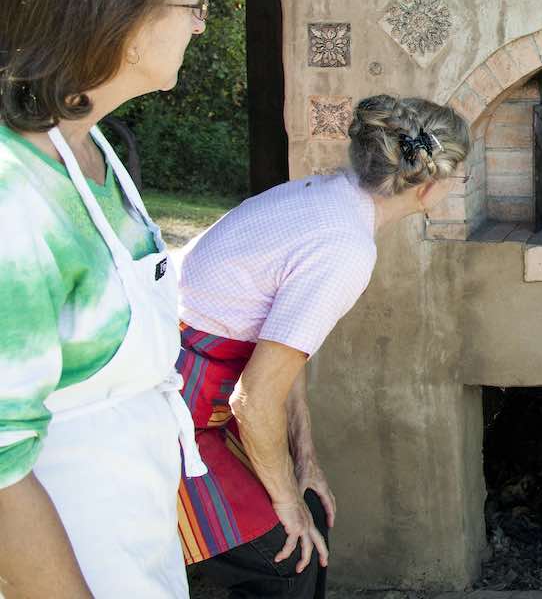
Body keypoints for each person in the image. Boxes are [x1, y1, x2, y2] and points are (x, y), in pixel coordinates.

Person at [0, 0, 215, 597]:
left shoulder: (91, 149)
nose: (200, 26)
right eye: (191, 6)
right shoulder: (14, 192)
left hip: (128, 540)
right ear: (118, 15)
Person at [175, 94, 470, 598]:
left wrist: (303, 457)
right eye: (462, 174)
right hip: (170, 409)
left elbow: (281, 356)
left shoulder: (329, 198)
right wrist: (284, 502)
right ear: (433, 185)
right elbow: (255, 396)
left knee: (309, 509)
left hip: (206, 392)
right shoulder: (345, 246)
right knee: (285, 557)